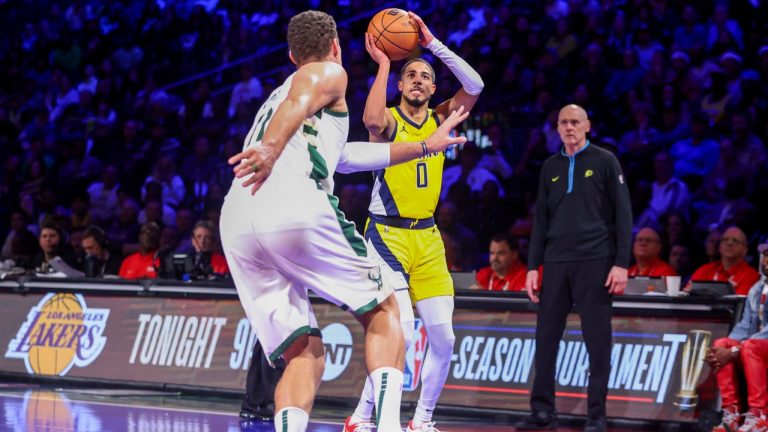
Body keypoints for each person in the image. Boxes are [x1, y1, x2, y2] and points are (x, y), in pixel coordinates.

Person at [219, 11, 468, 432]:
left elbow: (348, 157)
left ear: (291, 53)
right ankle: (387, 426)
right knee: (388, 308)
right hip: (289, 200)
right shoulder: (327, 73)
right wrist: (272, 148)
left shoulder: (274, 96)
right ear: (334, 45)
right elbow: (304, 94)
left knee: (304, 350)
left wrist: (424, 146)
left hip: (238, 218)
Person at [346, 11, 483, 432]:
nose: (420, 80)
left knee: (444, 340)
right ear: (402, 86)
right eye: (412, 76)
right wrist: (385, 64)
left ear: (433, 86)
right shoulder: (389, 122)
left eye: (426, 75)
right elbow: (369, 122)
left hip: (427, 240)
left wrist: (432, 44)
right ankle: (364, 418)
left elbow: (475, 86)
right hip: (385, 234)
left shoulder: (443, 118)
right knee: (400, 330)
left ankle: (420, 420)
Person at [517, 104, 632, 432]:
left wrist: (621, 264)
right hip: (554, 262)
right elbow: (541, 220)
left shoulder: (605, 161)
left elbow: (624, 215)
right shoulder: (550, 166)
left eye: (575, 122)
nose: (569, 127)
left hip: (595, 261)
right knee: (546, 339)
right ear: (556, 128)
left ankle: (596, 415)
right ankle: (542, 411)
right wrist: (532, 266)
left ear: (587, 126)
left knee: (597, 342)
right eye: (563, 123)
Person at [706, 243, 768, 432]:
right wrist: (725, 349)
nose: (767, 260)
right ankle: (730, 412)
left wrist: (734, 350)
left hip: (759, 346)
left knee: (750, 346)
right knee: (720, 344)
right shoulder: (757, 288)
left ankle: (760, 415)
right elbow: (744, 326)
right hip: (756, 346)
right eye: (765, 255)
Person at [686, 226, 760, 295]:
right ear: (720, 247)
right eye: (725, 240)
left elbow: (737, 305)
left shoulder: (751, 276)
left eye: (735, 241)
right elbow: (686, 294)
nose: (729, 243)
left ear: (745, 249)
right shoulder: (704, 270)